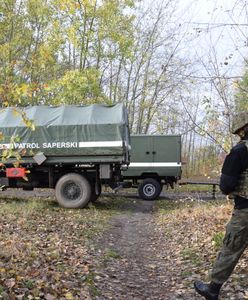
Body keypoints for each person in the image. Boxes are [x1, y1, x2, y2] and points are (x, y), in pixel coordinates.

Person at [194, 111, 248, 300]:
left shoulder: (240, 151)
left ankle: (213, 289)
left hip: (245, 211)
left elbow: (226, 185)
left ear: (242, 130)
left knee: (231, 247)